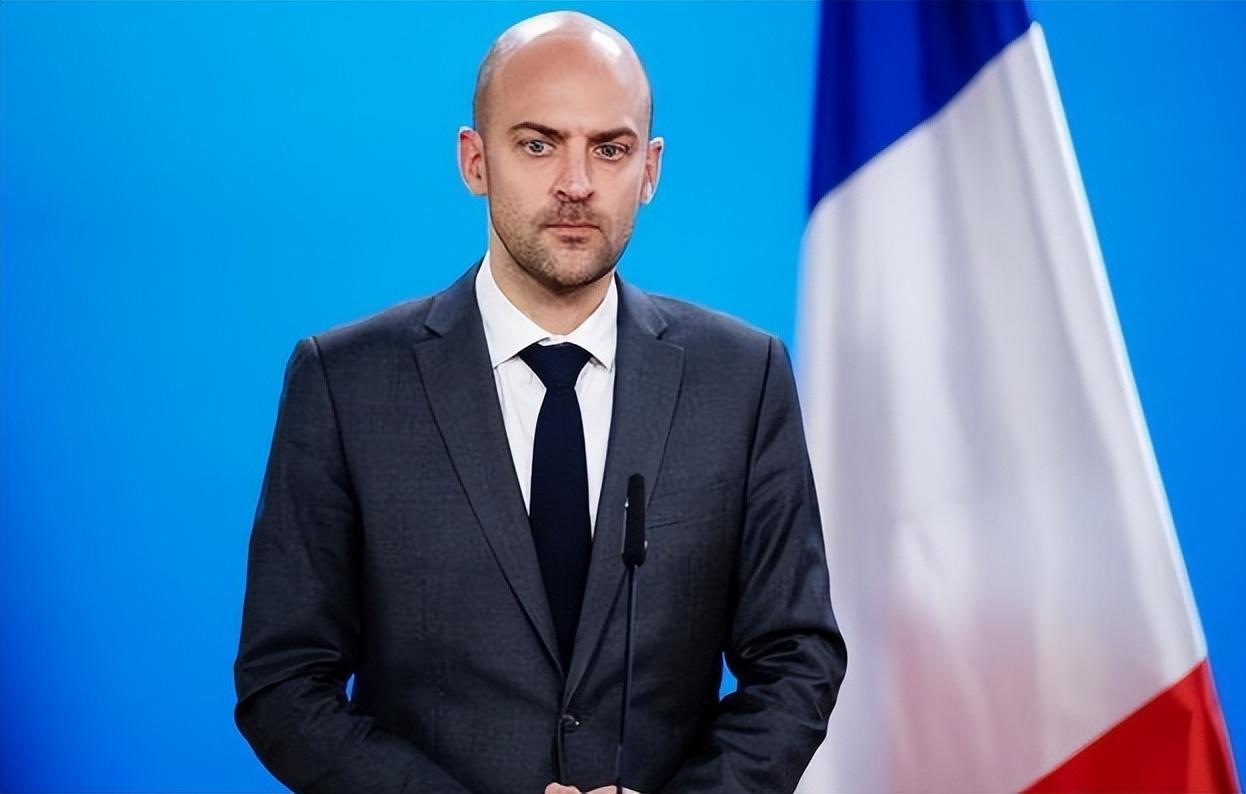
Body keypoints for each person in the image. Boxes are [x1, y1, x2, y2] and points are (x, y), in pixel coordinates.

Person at [233, 11, 845, 794]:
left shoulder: (741, 379)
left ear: (650, 169)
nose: (576, 184)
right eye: (537, 144)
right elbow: (284, 681)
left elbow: (797, 658)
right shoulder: (345, 384)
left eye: (610, 149)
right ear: (474, 160)